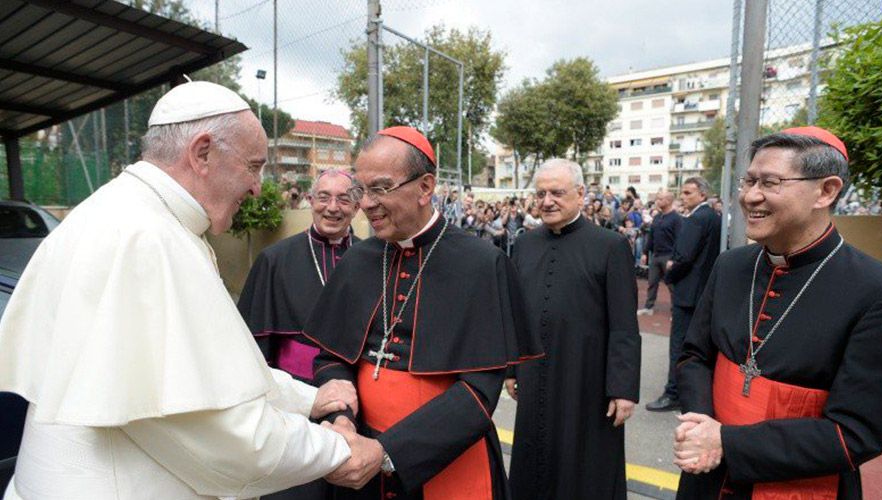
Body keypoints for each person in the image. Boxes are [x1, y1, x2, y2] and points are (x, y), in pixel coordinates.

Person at [0, 82, 364, 499]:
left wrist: (308, 400)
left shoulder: (118, 211)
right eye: (253, 166)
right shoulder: (148, 238)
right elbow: (223, 430)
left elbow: (217, 374)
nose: (257, 188)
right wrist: (338, 450)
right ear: (202, 152)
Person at [302, 126, 542, 499]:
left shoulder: (481, 264)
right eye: (361, 190)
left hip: (448, 462)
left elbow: (479, 393)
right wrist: (342, 421)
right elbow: (330, 358)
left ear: (425, 187)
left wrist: (387, 452)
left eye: (380, 188)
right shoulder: (358, 259)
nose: (366, 203)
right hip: (356, 455)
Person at [674, 127, 882, 499]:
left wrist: (727, 442)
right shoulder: (730, 266)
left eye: (770, 182)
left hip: (801, 486)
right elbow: (695, 355)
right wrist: (701, 426)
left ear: (825, 191)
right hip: (707, 475)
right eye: (748, 181)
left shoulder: (879, 291)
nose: (750, 196)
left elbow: (857, 432)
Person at [507, 159, 641, 500]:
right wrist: (510, 367)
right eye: (541, 194)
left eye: (557, 192)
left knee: (584, 463)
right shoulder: (524, 244)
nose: (547, 201)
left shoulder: (610, 246)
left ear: (580, 194)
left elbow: (625, 323)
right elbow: (514, 312)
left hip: (588, 377)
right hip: (534, 373)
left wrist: (623, 388)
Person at [239, 168, 361, 499]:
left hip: (357, 401)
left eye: (343, 199)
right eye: (323, 197)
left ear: (357, 206)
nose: (332, 207)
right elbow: (251, 351)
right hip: (293, 403)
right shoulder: (274, 260)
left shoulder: (372, 260)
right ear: (310, 201)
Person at [646, 177, 721, 412]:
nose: (683, 197)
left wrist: (670, 271)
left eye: (688, 193)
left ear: (702, 194)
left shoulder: (697, 219)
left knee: (679, 345)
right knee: (696, 346)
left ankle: (673, 393)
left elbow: (684, 257)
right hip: (702, 292)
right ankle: (688, 393)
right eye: (683, 193)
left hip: (689, 293)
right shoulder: (713, 218)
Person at [638, 191, 682, 316]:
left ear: (668, 201)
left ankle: (676, 312)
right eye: (657, 199)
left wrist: (673, 258)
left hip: (669, 256)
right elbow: (651, 237)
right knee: (652, 282)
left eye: (660, 199)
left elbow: (679, 240)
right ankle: (648, 307)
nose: (657, 201)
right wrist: (645, 252)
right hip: (656, 256)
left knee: (672, 285)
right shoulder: (657, 217)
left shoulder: (676, 219)